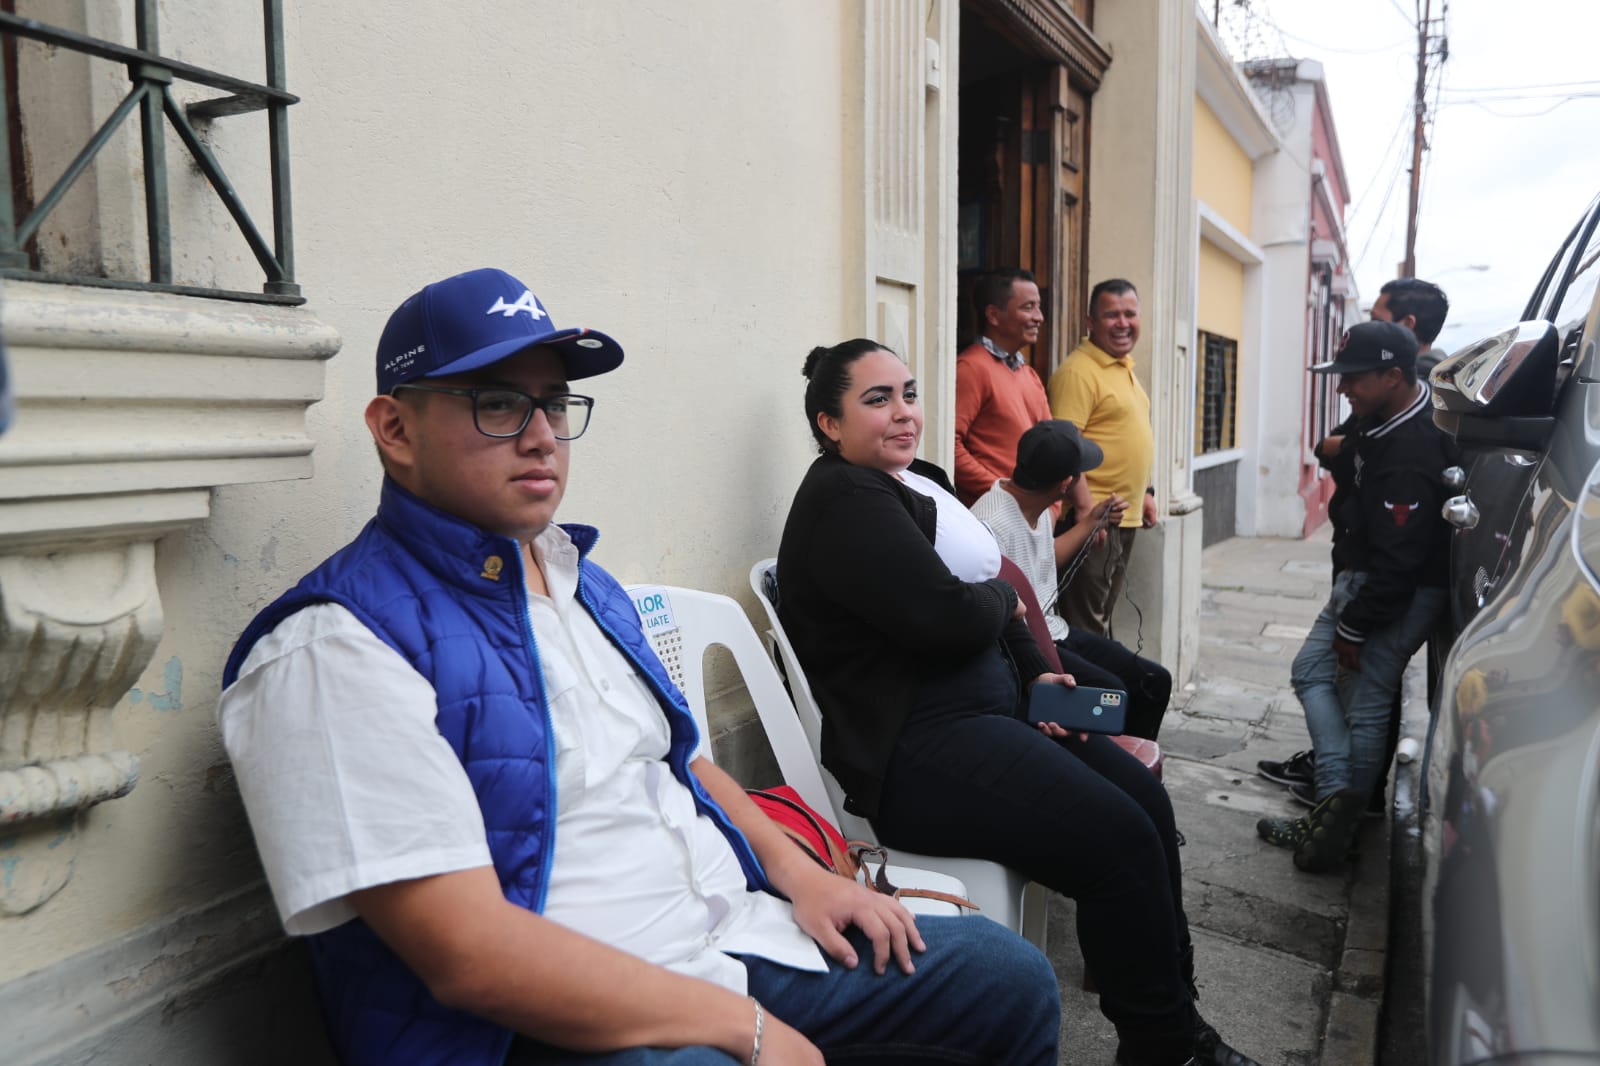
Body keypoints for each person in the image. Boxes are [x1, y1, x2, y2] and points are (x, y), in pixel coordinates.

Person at [216, 269, 1062, 1066]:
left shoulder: (584, 584)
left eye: (553, 403)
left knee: (1006, 980)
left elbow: (684, 757)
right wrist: (750, 1031)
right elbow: (466, 958)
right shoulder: (332, 647)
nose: (543, 436)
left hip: (727, 942)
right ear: (395, 430)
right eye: (499, 404)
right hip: (554, 1026)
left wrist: (807, 877)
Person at [776, 338, 1260, 1066]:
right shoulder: (844, 499)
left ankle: (1174, 1005)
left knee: (1146, 802)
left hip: (996, 710)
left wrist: (1037, 671)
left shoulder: (914, 482)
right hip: (918, 749)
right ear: (828, 424)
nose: (903, 413)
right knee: (1118, 842)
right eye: (876, 401)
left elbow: (993, 603)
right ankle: (1166, 1045)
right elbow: (953, 616)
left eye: (908, 393)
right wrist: (999, 600)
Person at [1256, 321, 1452, 873]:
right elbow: (1339, 452)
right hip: (1362, 581)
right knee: (1310, 671)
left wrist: (1355, 625)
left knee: (1367, 704)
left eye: (1354, 380)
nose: (1344, 390)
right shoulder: (1382, 418)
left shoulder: (1411, 451)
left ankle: (1333, 825)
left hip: (1389, 593)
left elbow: (1402, 562)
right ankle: (1335, 804)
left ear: (1394, 376)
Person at [971, 419, 1173, 741]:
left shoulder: (1028, 502)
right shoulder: (992, 523)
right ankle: (1113, 772)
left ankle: (1137, 760)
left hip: (1055, 629)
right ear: (1065, 483)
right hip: (1029, 644)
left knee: (1153, 679)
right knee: (1112, 693)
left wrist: (1093, 520)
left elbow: (1042, 558)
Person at [1047, 279, 1159, 639]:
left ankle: (1104, 693)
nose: (1122, 323)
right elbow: (1066, 447)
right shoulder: (1078, 373)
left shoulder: (1122, 366)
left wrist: (1146, 492)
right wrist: (1084, 512)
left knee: (1102, 617)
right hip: (1092, 522)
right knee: (1085, 626)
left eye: (1130, 313)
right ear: (1090, 322)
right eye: (1111, 314)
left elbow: (1129, 438)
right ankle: (1086, 693)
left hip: (1122, 518)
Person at [952, 269, 1052, 506]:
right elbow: (949, 445)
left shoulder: (1028, 374)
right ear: (993, 315)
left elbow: (1053, 445)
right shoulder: (971, 368)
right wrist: (1003, 492)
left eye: (1038, 307)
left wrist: (1051, 508)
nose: (1039, 317)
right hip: (991, 518)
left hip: (1029, 516)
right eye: (1028, 307)